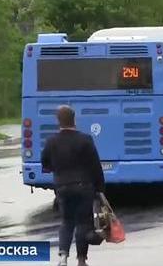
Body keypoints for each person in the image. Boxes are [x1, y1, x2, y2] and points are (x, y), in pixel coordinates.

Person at [41, 105, 105, 266]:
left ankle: (63, 257)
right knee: (83, 222)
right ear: (74, 119)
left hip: (62, 187)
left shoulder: (51, 141)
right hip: (84, 187)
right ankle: (81, 260)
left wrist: (55, 169)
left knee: (66, 221)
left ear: (58, 121)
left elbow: (45, 163)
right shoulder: (85, 139)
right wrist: (100, 189)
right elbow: (95, 166)